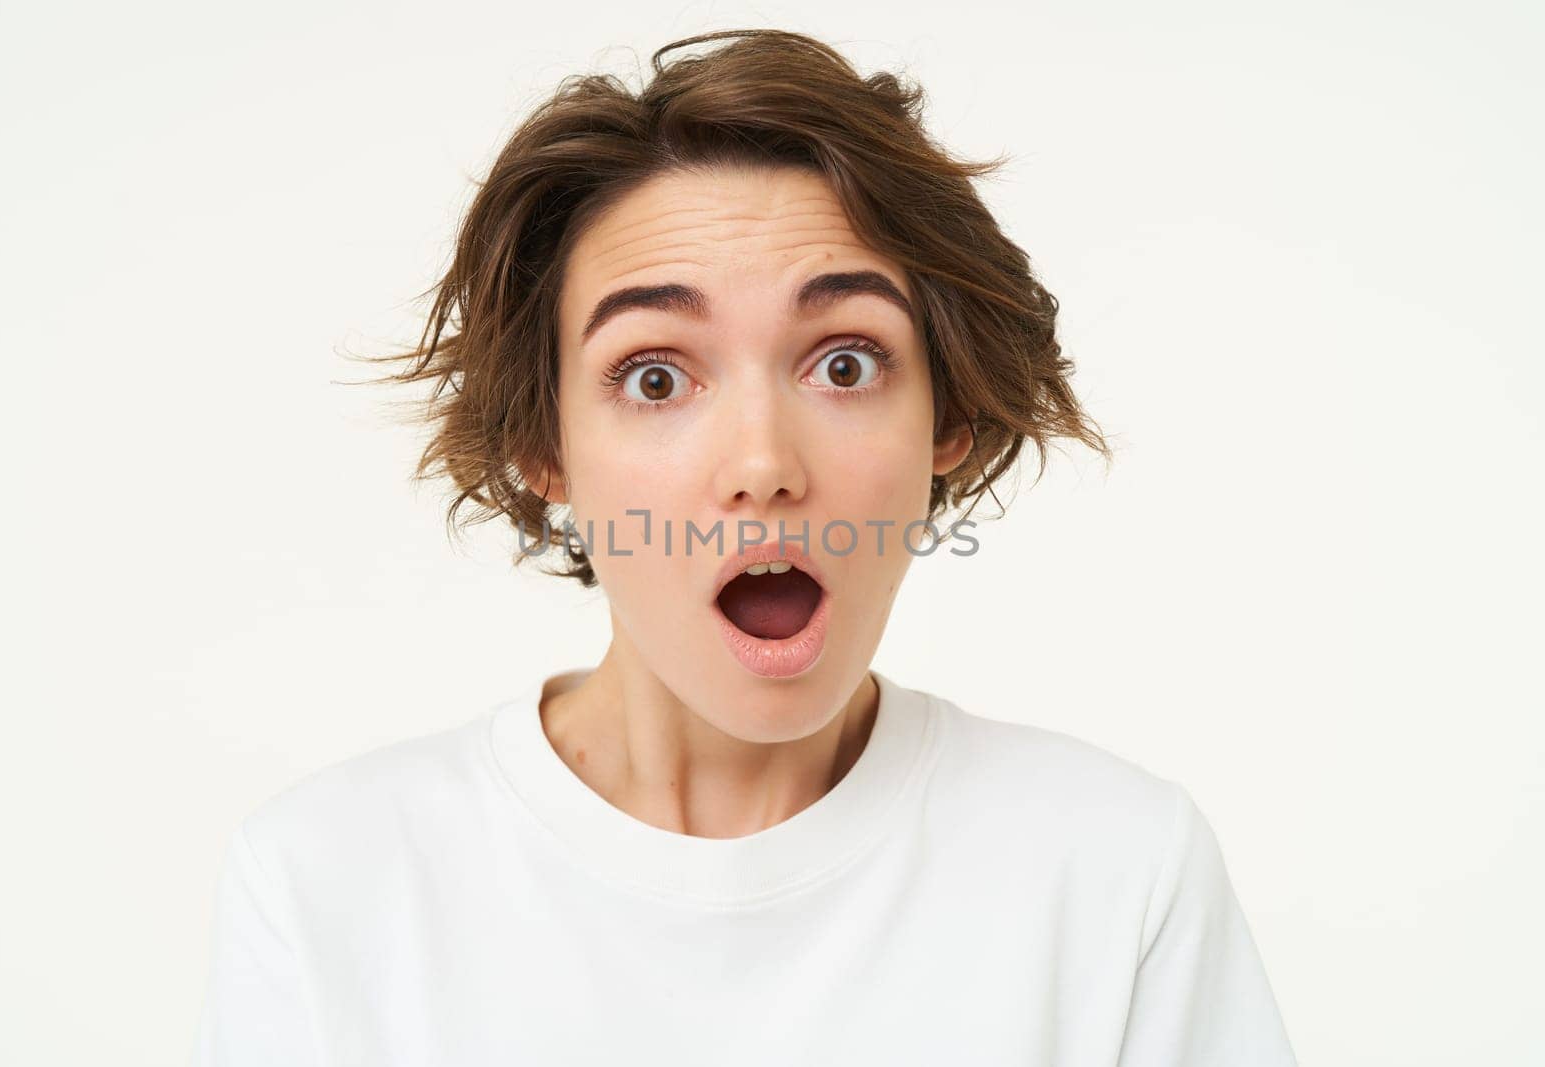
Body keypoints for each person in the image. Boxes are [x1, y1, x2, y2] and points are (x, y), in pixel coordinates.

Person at [192, 28, 1298, 1066]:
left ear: (946, 421)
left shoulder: (1114, 872)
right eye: (657, 375)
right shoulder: (329, 884)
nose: (763, 461)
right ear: (546, 448)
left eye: (845, 362)